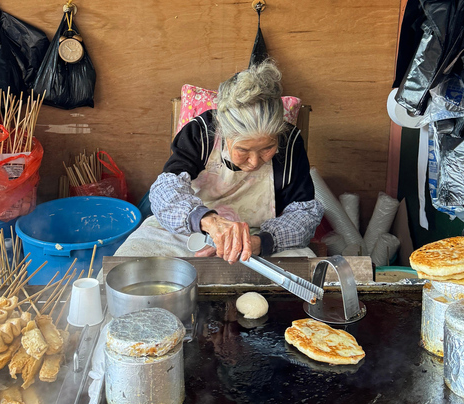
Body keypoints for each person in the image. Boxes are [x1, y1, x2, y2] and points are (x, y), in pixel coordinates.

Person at [114, 60, 323, 263]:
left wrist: (260, 242)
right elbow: (165, 190)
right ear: (223, 133)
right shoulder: (202, 132)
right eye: (243, 150)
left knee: (302, 273)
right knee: (128, 264)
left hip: (257, 237)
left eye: (267, 148)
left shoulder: (290, 141)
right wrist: (209, 221)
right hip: (191, 230)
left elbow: (303, 214)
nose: (253, 162)